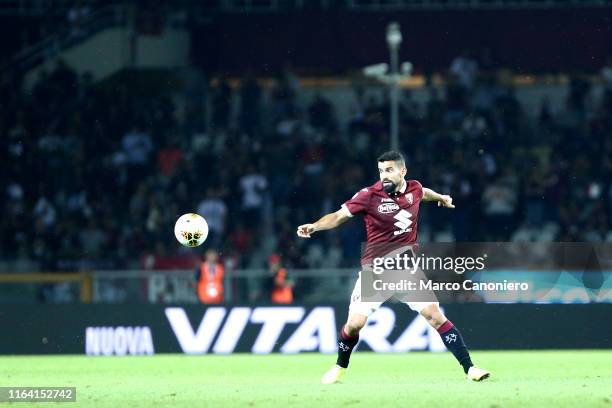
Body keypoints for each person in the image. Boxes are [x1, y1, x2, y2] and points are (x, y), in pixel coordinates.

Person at [297, 151, 490, 384]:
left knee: (435, 316)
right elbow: (339, 216)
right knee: (354, 324)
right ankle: (340, 366)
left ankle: (470, 368)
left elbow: (424, 193)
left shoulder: (415, 188)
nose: (384, 176)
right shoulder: (369, 195)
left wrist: (441, 197)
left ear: (402, 171)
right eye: (381, 171)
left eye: (389, 170)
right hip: (375, 271)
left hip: (407, 270)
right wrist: (314, 227)